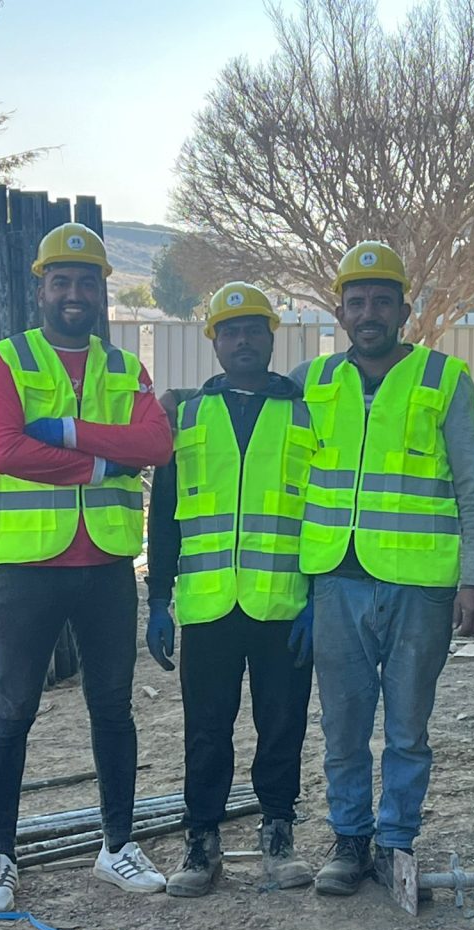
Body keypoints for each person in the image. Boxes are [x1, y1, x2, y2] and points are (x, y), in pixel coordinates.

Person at [0, 223, 173, 911]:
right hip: (27, 564)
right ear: (42, 289)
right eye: (62, 281)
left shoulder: (124, 368)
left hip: (108, 561)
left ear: (101, 290)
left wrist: (63, 432)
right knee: (11, 708)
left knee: (112, 707)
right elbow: (4, 450)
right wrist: (104, 462)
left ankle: (117, 845)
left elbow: (156, 444)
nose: (75, 293)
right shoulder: (4, 361)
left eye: (87, 281)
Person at [287, 240, 474, 897]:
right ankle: (349, 841)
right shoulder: (311, 382)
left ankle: (396, 842)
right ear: (340, 312)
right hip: (336, 580)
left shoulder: (443, 379)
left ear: (404, 310)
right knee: (343, 727)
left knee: (407, 728)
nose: (369, 312)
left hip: (420, 586)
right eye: (357, 301)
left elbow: (473, 488)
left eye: (382, 301)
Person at [147, 283, 314, 897]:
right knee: (206, 729)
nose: (243, 341)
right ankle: (202, 842)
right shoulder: (186, 416)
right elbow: (165, 515)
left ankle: (278, 833)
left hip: (283, 602)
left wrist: (318, 598)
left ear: (271, 337)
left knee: (282, 724)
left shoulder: (305, 413)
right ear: (213, 341)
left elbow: (322, 512)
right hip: (208, 604)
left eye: (253, 330)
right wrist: (156, 600)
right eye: (231, 331)